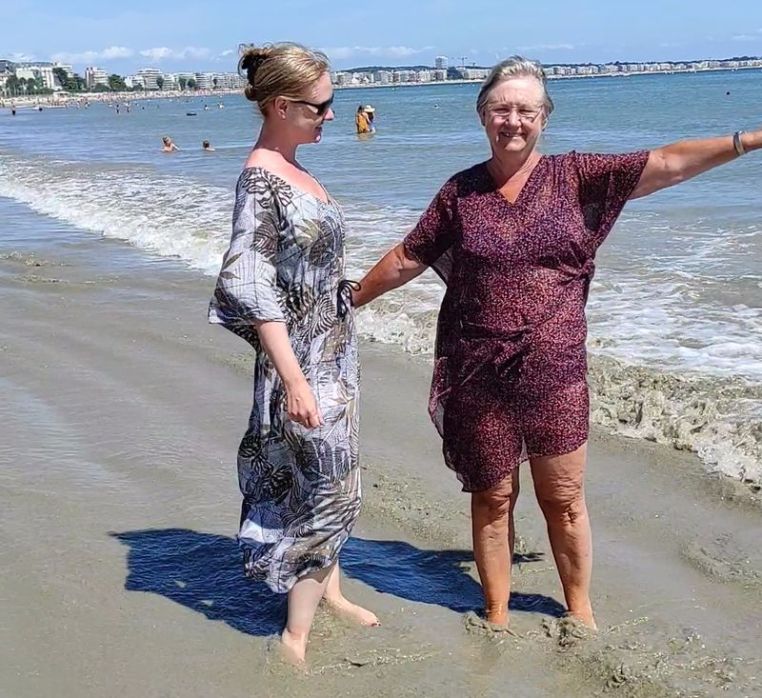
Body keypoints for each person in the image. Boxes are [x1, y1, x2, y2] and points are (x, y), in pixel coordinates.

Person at [352, 56, 761, 630]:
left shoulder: (577, 176)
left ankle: (580, 612)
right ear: (482, 116)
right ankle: (496, 614)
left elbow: (668, 163)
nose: (513, 120)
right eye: (501, 109)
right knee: (492, 499)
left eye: (526, 109)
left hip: (556, 372)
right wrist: (347, 301)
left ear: (545, 117)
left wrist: (750, 140)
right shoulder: (460, 193)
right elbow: (407, 257)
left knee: (563, 500)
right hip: (478, 371)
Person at [208, 42, 378, 664]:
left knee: (323, 479)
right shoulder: (261, 180)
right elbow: (249, 285)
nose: (332, 115)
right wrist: (295, 380)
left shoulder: (293, 166)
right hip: (302, 363)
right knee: (333, 488)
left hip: (333, 353)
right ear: (281, 106)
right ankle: (294, 636)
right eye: (320, 106)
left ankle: (331, 591)